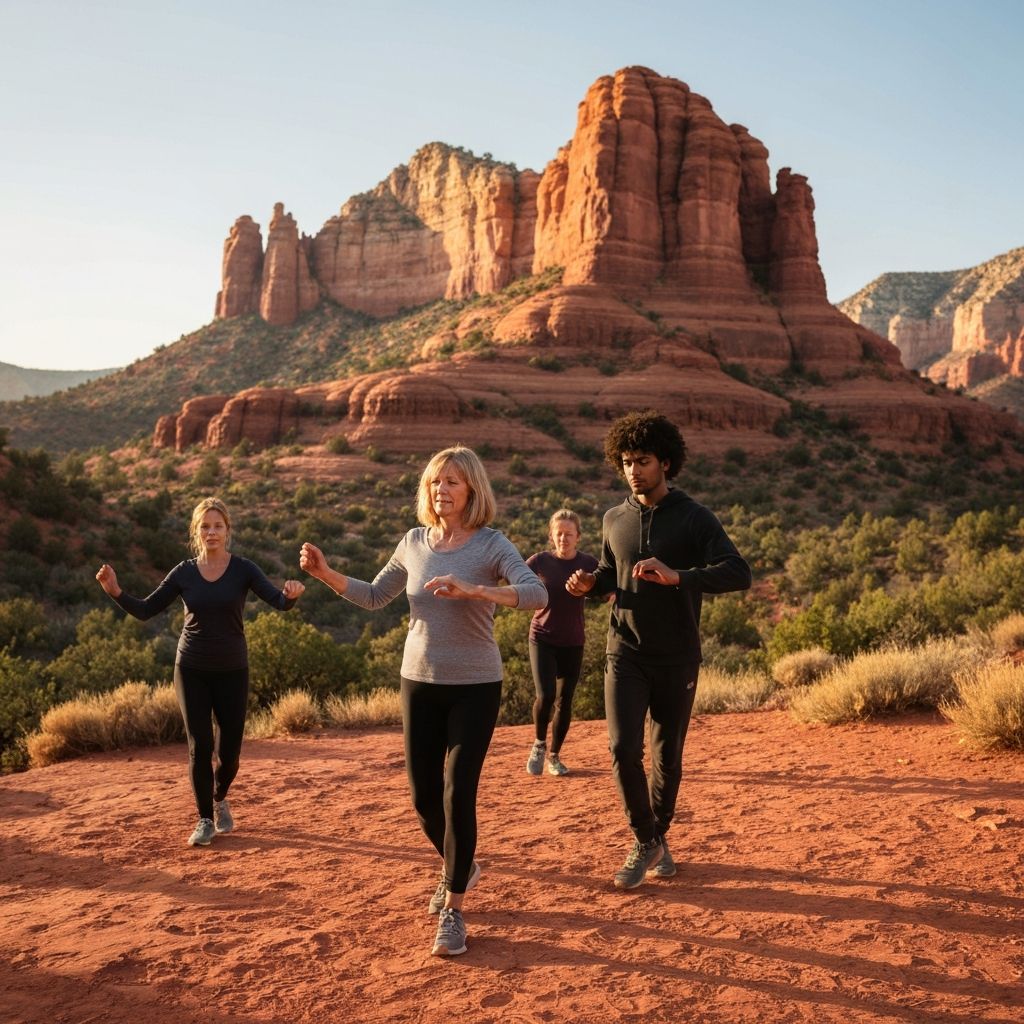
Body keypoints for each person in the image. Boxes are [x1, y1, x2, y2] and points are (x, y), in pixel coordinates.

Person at [299, 446, 546, 957]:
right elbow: (373, 595)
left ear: (472, 490)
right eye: (436, 482)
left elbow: (536, 593)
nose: (442, 490)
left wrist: (477, 591)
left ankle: (454, 906)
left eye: (453, 482)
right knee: (422, 798)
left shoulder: (492, 544)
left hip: (476, 685)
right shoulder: (413, 542)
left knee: (458, 795)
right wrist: (325, 574)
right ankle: (463, 865)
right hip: (419, 681)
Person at [566, 411, 751, 890]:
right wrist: (588, 584)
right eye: (626, 462)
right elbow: (610, 572)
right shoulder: (613, 518)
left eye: (643, 461)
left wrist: (681, 577)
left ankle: (657, 837)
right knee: (622, 748)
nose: (633, 470)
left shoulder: (694, 517)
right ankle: (645, 840)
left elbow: (738, 571)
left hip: (677, 655)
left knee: (666, 756)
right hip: (624, 651)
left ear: (665, 462)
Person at [95, 497, 304, 848]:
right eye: (205, 526)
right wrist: (115, 592)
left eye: (217, 526)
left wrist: (292, 595)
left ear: (227, 530)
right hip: (191, 667)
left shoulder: (244, 569)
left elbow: (279, 602)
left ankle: (220, 796)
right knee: (200, 745)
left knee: (230, 753)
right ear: (196, 531)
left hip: (232, 669)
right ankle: (205, 818)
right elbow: (147, 610)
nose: (211, 532)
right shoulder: (184, 572)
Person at [523, 509, 598, 778]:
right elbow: (514, 579)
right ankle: (539, 744)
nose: (563, 539)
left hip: (573, 641)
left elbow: (607, 587)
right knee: (546, 696)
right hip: (542, 637)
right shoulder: (540, 561)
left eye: (569, 534)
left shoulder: (589, 563)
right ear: (551, 536)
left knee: (565, 701)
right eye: (559, 534)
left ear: (578, 537)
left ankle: (554, 756)